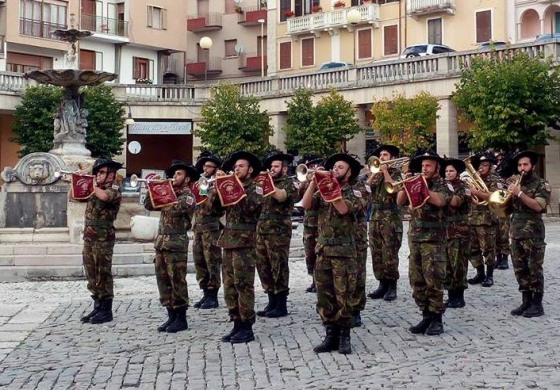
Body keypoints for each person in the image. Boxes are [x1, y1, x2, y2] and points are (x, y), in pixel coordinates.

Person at [301, 153, 366, 355]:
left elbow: (344, 209)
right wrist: (314, 183)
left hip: (345, 251)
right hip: (323, 249)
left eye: (340, 167)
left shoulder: (358, 190)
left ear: (349, 172)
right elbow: (305, 205)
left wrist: (331, 188)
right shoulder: (322, 188)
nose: (335, 170)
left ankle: (344, 335)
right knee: (325, 295)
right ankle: (330, 334)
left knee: (343, 295)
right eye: (334, 167)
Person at [397, 151, 451, 336]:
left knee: (434, 279)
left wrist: (422, 186)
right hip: (416, 238)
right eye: (422, 166)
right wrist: (406, 185)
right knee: (417, 279)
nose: (424, 169)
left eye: (428, 165)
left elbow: (440, 201)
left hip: (434, 240)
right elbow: (399, 201)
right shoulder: (415, 182)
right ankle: (425, 314)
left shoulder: (444, 185)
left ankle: (437, 318)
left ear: (437, 167)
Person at [144, 160, 198, 333]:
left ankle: (181, 318)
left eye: (179, 174)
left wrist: (163, 190)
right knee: (163, 280)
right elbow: (149, 205)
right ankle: (170, 315)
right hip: (161, 242)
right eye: (174, 174)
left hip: (176, 243)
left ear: (187, 178)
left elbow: (174, 208)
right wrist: (152, 188)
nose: (175, 177)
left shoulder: (188, 197)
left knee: (177, 280)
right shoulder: (168, 192)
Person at [216, 151, 263, 343]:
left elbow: (250, 207)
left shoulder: (256, 189)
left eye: (241, 166)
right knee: (229, 285)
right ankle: (236, 322)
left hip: (246, 241)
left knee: (243, 284)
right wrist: (216, 189)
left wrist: (231, 186)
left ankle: (247, 326)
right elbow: (214, 210)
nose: (237, 169)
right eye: (235, 167)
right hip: (228, 240)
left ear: (250, 170)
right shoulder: (228, 186)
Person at [75, 157, 123, 325]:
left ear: (111, 175)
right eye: (98, 172)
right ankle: (97, 304)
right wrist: (76, 180)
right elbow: (75, 196)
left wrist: (90, 182)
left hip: (103, 236)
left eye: (103, 172)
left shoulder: (114, 188)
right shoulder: (95, 188)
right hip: (89, 236)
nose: (100, 175)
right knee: (91, 271)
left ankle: (106, 309)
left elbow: (104, 197)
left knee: (103, 271)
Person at [506, 151, 551, 318]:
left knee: (534, 269)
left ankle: (537, 304)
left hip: (533, 233)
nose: (522, 168)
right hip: (516, 231)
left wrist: (519, 193)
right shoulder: (516, 183)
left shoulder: (541, 184)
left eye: (525, 165)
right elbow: (506, 208)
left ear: (532, 166)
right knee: (520, 268)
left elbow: (538, 206)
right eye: (519, 165)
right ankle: (525, 300)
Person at [256, 151, 297, 318]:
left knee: (278, 265)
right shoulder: (265, 183)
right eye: (271, 166)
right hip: (261, 230)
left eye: (276, 166)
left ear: (284, 169)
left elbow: (280, 196)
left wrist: (266, 182)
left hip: (278, 231)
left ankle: (281, 303)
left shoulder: (289, 183)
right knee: (263, 266)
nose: (272, 169)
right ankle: (271, 300)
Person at [366, 145, 403, 302]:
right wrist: (375, 173)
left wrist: (386, 171)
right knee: (376, 252)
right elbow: (366, 188)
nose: (381, 157)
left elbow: (394, 190)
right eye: (380, 155)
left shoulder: (397, 174)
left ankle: (392, 285)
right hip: (375, 217)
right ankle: (382, 284)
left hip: (390, 217)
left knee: (389, 252)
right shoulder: (376, 174)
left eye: (385, 155)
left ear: (392, 158)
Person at [192, 152, 224, 310]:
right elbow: (198, 202)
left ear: (216, 168)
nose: (205, 169)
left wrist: (216, 186)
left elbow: (213, 206)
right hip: (198, 227)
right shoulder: (202, 183)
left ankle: (213, 295)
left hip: (211, 227)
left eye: (209, 166)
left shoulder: (218, 184)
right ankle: (205, 292)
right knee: (200, 261)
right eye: (204, 166)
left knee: (212, 261)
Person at [467, 153, 502, 287]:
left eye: (485, 165)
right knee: (472, 248)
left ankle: (490, 275)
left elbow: (496, 197)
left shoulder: (495, 179)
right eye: (480, 165)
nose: (482, 168)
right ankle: (479, 272)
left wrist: (478, 193)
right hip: (472, 218)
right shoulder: (474, 179)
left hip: (487, 219)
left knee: (488, 248)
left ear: (491, 166)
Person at [441, 158, 471, 308]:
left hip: (460, 230)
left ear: (457, 172)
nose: (448, 173)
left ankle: (459, 296)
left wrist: (444, 191)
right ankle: (451, 295)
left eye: (451, 171)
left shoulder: (463, 187)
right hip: (445, 230)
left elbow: (455, 202)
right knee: (447, 264)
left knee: (458, 263)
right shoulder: (443, 185)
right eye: (446, 171)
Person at [297, 156, 324, 293]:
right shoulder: (307, 182)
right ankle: (313, 280)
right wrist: (305, 182)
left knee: (320, 253)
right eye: (310, 166)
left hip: (320, 222)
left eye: (315, 166)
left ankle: (320, 281)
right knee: (310, 253)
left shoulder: (324, 179)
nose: (312, 169)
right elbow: (299, 198)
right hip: (309, 223)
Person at [494, 150, 511, 270]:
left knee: (504, 234)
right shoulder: (495, 173)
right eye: (498, 159)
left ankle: (505, 258)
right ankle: (498, 257)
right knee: (494, 234)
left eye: (501, 159)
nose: (499, 161)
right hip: (494, 208)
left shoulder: (509, 175)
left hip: (504, 208)